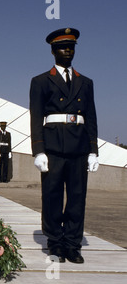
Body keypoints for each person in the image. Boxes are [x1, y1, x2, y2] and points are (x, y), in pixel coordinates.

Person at [29, 28, 99, 264]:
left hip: (79, 148)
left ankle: (72, 244)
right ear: (52, 50)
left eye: (71, 47)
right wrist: (38, 150)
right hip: (53, 148)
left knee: (78, 198)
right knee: (52, 197)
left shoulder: (85, 82)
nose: (67, 51)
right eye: (62, 47)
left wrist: (93, 150)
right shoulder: (40, 81)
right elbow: (36, 117)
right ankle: (55, 243)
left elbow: (91, 117)